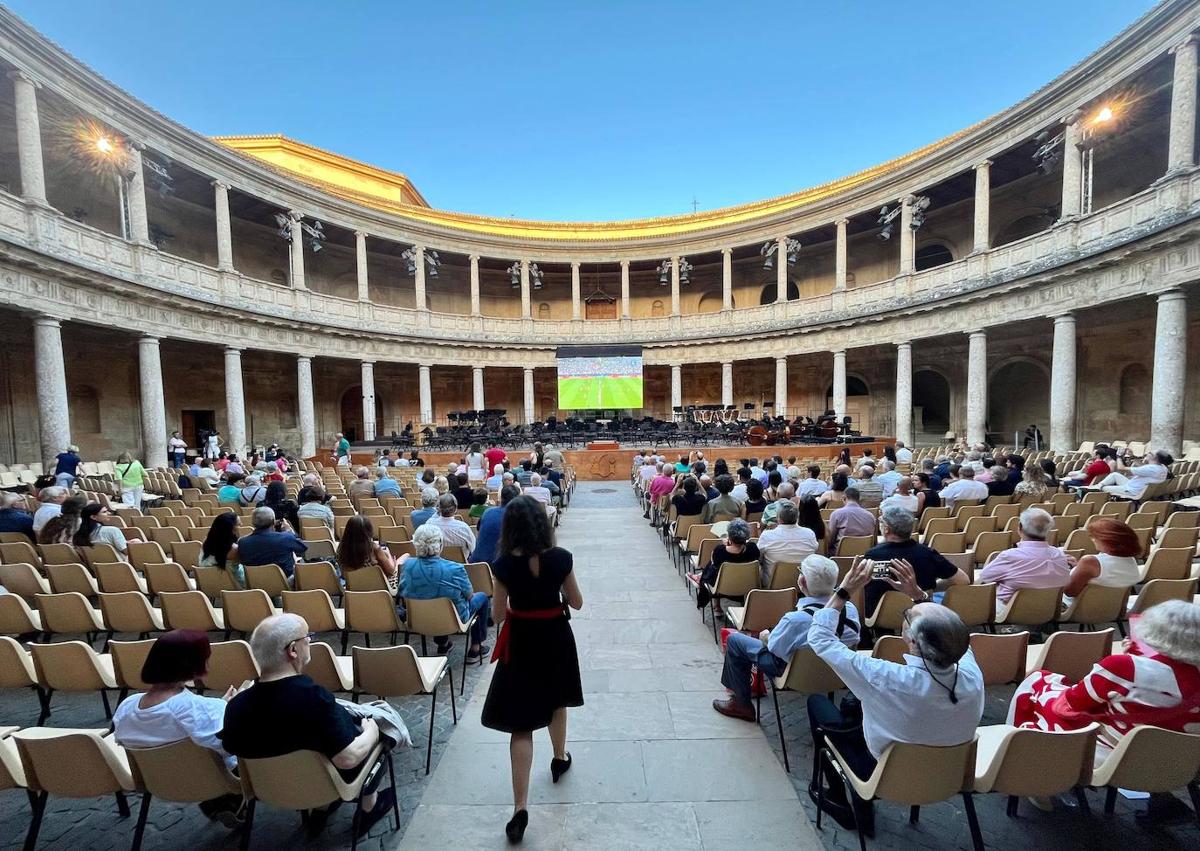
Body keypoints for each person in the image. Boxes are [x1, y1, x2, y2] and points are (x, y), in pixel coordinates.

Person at [807, 559, 984, 834]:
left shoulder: (884, 677)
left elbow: (820, 639)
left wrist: (843, 591)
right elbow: (957, 635)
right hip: (948, 773)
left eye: (909, 614)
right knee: (855, 705)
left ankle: (842, 800)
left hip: (882, 770)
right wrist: (919, 595)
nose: (909, 611)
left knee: (818, 704)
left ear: (912, 640)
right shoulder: (972, 674)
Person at [220, 614, 395, 838]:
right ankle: (369, 808)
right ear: (293, 650)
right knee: (380, 737)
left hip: (269, 789)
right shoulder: (314, 699)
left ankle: (321, 808)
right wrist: (372, 731)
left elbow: (231, 747)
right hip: (326, 783)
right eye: (307, 637)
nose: (310, 641)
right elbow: (348, 757)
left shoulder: (235, 706)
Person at [480, 496, 583, 844]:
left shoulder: (503, 565)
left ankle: (520, 808)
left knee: (521, 725)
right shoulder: (561, 559)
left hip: (522, 640)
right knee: (557, 698)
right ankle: (559, 758)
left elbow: (496, 615)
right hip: (555, 634)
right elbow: (578, 602)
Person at [1008, 600, 1200, 762]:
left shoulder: (1124, 668)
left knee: (1038, 680)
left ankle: (1020, 759)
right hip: (1175, 763)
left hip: (1111, 757)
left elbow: (1073, 702)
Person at [112, 630, 242, 825]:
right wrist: (229, 710)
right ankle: (228, 799)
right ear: (196, 664)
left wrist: (218, 708)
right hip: (218, 779)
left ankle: (220, 803)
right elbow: (228, 744)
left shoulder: (126, 708)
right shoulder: (195, 709)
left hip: (159, 782)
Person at [713, 554, 860, 721]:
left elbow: (774, 649)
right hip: (837, 672)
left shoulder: (795, 620)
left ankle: (741, 704)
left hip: (794, 673)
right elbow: (853, 639)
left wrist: (765, 636)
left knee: (735, 641)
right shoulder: (850, 609)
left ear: (802, 582)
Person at [397, 524, 488, 657]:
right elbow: (469, 596)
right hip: (453, 619)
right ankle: (475, 647)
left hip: (417, 618)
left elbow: (402, 591)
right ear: (440, 544)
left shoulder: (407, 565)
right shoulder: (455, 568)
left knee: (435, 599)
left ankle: (443, 644)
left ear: (416, 543)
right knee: (482, 598)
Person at [861, 507, 969, 617]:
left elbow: (863, 585)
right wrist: (931, 588)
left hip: (881, 616)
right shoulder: (927, 554)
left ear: (887, 529)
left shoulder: (874, 556)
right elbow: (963, 580)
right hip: (920, 614)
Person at [977, 508, 1070, 612]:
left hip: (1011, 610)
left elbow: (984, 578)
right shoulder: (1060, 555)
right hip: (1049, 608)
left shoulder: (1010, 556)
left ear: (1020, 527)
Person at [1062, 516, 1141, 599]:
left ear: (1108, 540)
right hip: (1113, 608)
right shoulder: (1131, 560)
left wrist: (1061, 569)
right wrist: (1079, 568)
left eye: (1095, 536)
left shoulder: (1090, 561)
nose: (1093, 540)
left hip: (1077, 608)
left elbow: (1069, 592)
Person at [691, 518, 761, 611]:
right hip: (746, 587)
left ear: (730, 536)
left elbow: (714, 564)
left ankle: (716, 606)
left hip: (721, 589)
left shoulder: (720, 550)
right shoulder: (753, 549)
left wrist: (725, 546)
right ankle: (700, 577)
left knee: (713, 568)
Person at [757, 501, 818, 587]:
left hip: (772, 584)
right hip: (804, 583)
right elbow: (815, 550)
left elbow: (758, 558)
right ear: (797, 517)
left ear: (778, 518)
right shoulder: (809, 534)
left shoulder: (767, 535)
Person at [236, 507, 307, 579]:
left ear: (253, 523)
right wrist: (290, 531)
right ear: (273, 521)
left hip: (255, 583)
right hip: (287, 582)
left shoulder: (242, 542)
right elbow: (303, 547)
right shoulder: (286, 537)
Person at [337, 515, 397, 588]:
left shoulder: (342, 549)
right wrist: (389, 555)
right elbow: (391, 571)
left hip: (353, 588)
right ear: (369, 531)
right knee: (405, 556)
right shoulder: (374, 548)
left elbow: (343, 575)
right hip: (377, 587)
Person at [1092, 449, 1172, 499]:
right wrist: (1132, 457)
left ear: (1154, 458)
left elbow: (1121, 468)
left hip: (1132, 490)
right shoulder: (1162, 467)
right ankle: (1098, 485)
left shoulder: (1151, 469)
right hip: (1139, 488)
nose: (1147, 454)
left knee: (1103, 488)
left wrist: (1118, 456)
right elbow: (1143, 468)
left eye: (1150, 453)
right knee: (1115, 475)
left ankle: (1097, 487)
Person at [472, 484, 520, 564]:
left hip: (476, 564)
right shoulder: (516, 517)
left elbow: (478, 531)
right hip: (497, 566)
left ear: (501, 498)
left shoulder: (488, 512)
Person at [827, 487, 876, 556]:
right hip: (865, 555)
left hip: (840, 555)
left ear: (844, 498)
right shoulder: (870, 516)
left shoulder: (836, 514)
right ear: (859, 500)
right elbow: (873, 541)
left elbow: (830, 540)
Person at [201, 512, 244, 586]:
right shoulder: (234, 549)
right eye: (238, 524)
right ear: (231, 528)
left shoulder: (206, 541)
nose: (242, 524)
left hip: (210, 584)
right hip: (235, 585)